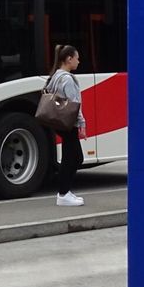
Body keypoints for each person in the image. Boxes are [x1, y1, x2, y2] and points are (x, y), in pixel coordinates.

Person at [45, 45, 87, 206]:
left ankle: (65, 192)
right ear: (69, 59)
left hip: (60, 122)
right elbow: (74, 104)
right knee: (74, 158)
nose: (79, 61)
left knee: (72, 157)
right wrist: (81, 123)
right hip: (68, 123)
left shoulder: (56, 76)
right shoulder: (67, 79)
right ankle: (63, 194)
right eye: (77, 57)